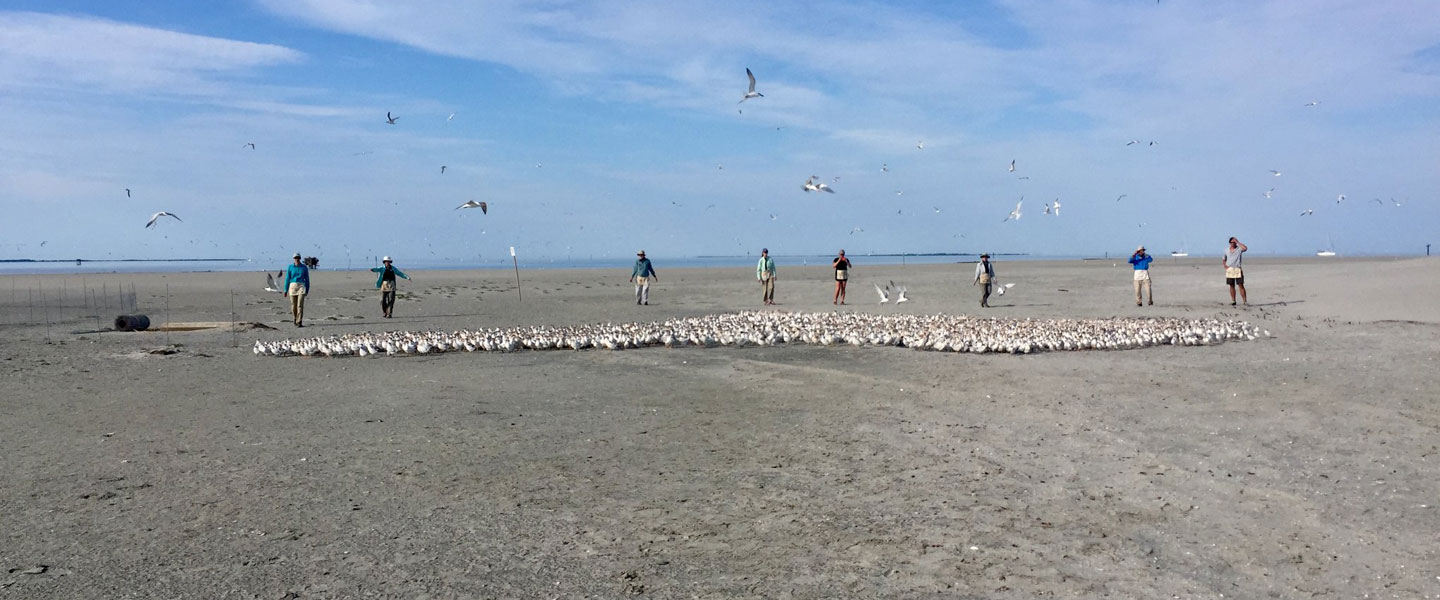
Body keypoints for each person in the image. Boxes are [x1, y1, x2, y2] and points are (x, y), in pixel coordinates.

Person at [282, 252, 310, 327]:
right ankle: (295, 318)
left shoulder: (304, 267)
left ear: (300, 258)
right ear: (293, 259)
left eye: (298, 258)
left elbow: (307, 279)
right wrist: (285, 289)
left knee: (300, 305)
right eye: (295, 258)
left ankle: (299, 321)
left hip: (301, 286)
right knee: (293, 305)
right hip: (292, 286)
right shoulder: (290, 267)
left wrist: (307, 289)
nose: (296, 259)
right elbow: (287, 278)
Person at [1223, 236, 1248, 306]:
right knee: (1231, 285)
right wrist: (1225, 265)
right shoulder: (1226, 250)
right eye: (1232, 242)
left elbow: (1245, 248)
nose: (1233, 244)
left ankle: (1245, 301)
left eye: (1234, 242)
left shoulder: (1239, 249)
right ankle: (1233, 300)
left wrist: (1238, 242)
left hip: (1237, 268)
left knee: (1241, 285)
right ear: (1229, 243)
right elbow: (1223, 258)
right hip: (1230, 269)